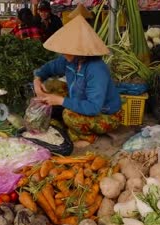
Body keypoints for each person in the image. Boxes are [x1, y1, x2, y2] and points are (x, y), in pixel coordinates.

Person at [33, 15, 122, 147]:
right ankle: (72, 128)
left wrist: (59, 101)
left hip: (106, 114)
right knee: (52, 86)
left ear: (79, 50)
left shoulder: (96, 69)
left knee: (69, 115)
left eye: (66, 49)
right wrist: (37, 79)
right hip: (82, 101)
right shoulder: (71, 60)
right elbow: (49, 68)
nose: (62, 53)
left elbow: (93, 107)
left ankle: (89, 137)